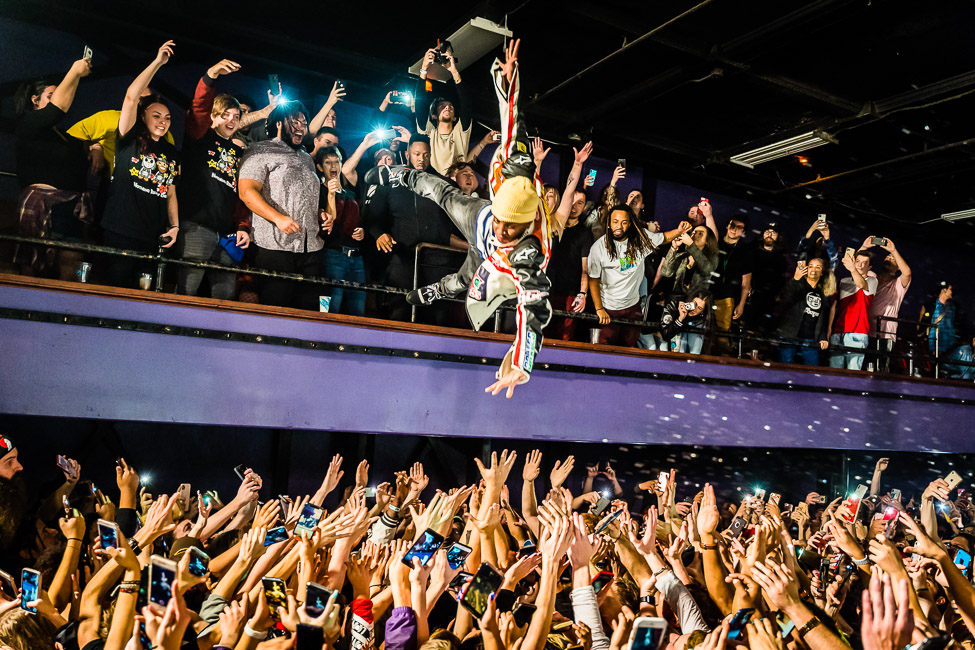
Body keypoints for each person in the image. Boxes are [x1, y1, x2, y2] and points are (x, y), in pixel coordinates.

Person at [389, 39, 551, 397]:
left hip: (497, 262)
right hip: (478, 214)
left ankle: (432, 292)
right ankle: (405, 175)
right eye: (502, 222)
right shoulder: (514, 169)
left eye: (511, 228)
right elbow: (512, 124)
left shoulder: (527, 255)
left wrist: (523, 365)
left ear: (526, 226)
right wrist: (507, 82)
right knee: (447, 194)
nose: (502, 230)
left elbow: (534, 308)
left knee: (465, 281)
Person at [99, 41, 180, 290]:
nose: (163, 121)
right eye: (156, 115)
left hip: (152, 234)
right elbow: (132, 97)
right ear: (143, 117)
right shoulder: (128, 138)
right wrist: (157, 62)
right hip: (120, 230)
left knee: (144, 294)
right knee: (115, 290)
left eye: (167, 118)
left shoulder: (171, 151)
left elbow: (171, 191)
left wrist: (175, 226)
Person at [361, 135, 462, 322]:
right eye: (416, 154)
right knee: (398, 311)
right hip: (401, 257)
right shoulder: (390, 184)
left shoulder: (443, 184)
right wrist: (379, 234)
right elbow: (371, 218)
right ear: (407, 154)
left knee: (438, 316)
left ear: (431, 155)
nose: (421, 159)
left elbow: (456, 224)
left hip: (437, 260)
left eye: (425, 154)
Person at [177, 58, 251, 300]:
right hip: (196, 228)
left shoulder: (238, 153)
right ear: (214, 116)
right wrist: (211, 76)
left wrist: (242, 226)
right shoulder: (201, 137)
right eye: (225, 114)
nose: (232, 119)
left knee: (225, 298)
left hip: (227, 235)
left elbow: (240, 192)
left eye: (236, 116)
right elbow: (198, 109)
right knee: (186, 294)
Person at [13, 56, 92, 280]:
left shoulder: (65, 137)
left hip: (71, 205)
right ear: (35, 100)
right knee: (33, 263)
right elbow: (57, 111)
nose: (57, 98)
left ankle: (66, 311)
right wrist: (74, 71)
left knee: (71, 262)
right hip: (42, 204)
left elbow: (80, 144)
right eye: (51, 95)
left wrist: (94, 146)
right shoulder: (29, 124)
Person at [238, 100, 321, 310]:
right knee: (276, 310)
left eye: (304, 122)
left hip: (310, 248)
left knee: (309, 312)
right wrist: (278, 218)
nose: (301, 127)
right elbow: (246, 192)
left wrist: (321, 214)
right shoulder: (259, 150)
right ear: (278, 124)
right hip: (274, 247)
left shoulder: (306, 158)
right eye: (295, 122)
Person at [588, 205, 680, 347]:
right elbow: (593, 279)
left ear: (630, 223)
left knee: (629, 348)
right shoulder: (598, 247)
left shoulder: (641, 239)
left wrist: (680, 230)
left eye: (624, 222)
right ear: (609, 223)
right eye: (615, 222)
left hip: (632, 307)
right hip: (609, 307)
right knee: (605, 349)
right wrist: (599, 309)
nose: (619, 226)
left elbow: (664, 238)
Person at [317, 146, 365, 316]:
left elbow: (358, 220)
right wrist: (331, 194)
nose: (333, 166)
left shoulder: (349, 193)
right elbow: (330, 221)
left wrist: (361, 231)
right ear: (320, 167)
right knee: (329, 309)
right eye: (328, 163)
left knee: (358, 311)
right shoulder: (319, 191)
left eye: (337, 162)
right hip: (333, 255)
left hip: (356, 257)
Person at [414, 45, 472, 176]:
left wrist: (454, 72)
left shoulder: (460, 133)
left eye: (451, 107)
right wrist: (423, 69)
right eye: (442, 106)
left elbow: (466, 103)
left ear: (455, 117)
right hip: (434, 188)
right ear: (434, 115)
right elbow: (420, 104)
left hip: (455, 189)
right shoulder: (429, 134)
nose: (447, 107)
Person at [862, 236, 911, 369]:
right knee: (864, 367)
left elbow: (907, 272)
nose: (888, 258)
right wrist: (864, 247)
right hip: (865, 331)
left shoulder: (898, 284)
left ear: (898, 267)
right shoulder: (872, 277)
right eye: (887, 257)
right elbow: (857, 267)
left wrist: (894, 251)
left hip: (885, 334)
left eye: (892, 259)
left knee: (881, 368)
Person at [775, 258, 834, 365]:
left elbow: (823, 319)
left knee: (811, 371)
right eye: (811, 266)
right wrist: (795, 279)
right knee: (785, 369)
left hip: (810, 339)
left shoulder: (823, 293)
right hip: (790, 336)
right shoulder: (798, 285)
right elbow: (785, 299)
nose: (813, 269)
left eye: (818, 267)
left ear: (822, 272)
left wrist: (823, 338)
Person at [829, 248, 878, 370]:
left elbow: (861, 285)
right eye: (858, 261)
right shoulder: (844, 281)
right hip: (838, 332)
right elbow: (834, 306)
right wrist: (830, 329)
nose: (860, 265)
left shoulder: (872, 281)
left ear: (870, 267)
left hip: (858, 333)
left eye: (865, 263)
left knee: (853, 372)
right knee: (834, 372)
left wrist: (852, 269)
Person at [711, 215, 753, 354]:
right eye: (732, 225)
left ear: (744, 232)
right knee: (703, 330)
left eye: (739, 227)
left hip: (727, 296)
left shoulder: (745, 251)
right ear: (727, 226)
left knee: (723, 334)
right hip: (708, 291)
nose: (734, 230)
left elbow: (746, 282)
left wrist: (741, 303)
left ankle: (723, 362)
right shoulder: (716, 242)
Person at [747, 221, 790, 337]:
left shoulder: (781, 257)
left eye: (773, 232)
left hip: (769, 299)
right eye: (767, 231)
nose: (770, 234)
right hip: (750, 295)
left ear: (778, 237)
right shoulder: (752, 251)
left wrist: (779, 295)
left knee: (763, 328)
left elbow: (782, 279)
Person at [660, 223, 718, 300]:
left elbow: (707, 270)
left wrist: (691, 244)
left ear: (707, 241)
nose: (694, 235)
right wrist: (674, 247)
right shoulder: (682, 256)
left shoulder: (712, 258)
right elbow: (665, 272)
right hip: (677, 303)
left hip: (696, 304)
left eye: (700, 233)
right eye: (693, 232)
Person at [659, 290, 713, 354]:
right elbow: (665, 334)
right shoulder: (674, 302)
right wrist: (680, 318)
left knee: (699, 325)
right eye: (694, 303)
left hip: (688, 327)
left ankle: (693, 359)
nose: (694, 309)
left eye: (699, 308)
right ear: (690, 299)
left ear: (703, 311)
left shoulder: (700, 317)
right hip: (669, 335)